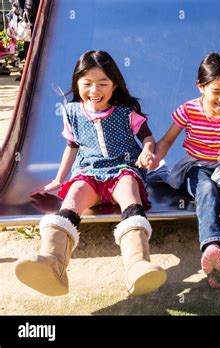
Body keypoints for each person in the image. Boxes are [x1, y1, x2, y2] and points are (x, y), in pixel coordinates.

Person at [15, 50, 167, 297]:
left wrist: (148, 151)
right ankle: (52, 263)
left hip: (123, 168)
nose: (94, 90)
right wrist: (58, 179)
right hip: (89, 172)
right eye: (87, 83)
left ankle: (137, 264)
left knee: (129, 192)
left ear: (114, 85)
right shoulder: (72, 112)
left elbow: (147, 138)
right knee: (72, 197)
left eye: (102, 83)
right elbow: (72, 147)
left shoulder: (126, 112)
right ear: (77, 83)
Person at [152, 52, 220, 288]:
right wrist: (154, 157)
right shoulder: (189, 110)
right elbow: (166, 141)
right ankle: (212, 246)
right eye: (216, 91)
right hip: (197, 165)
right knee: (205, 190)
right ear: (201, 86)